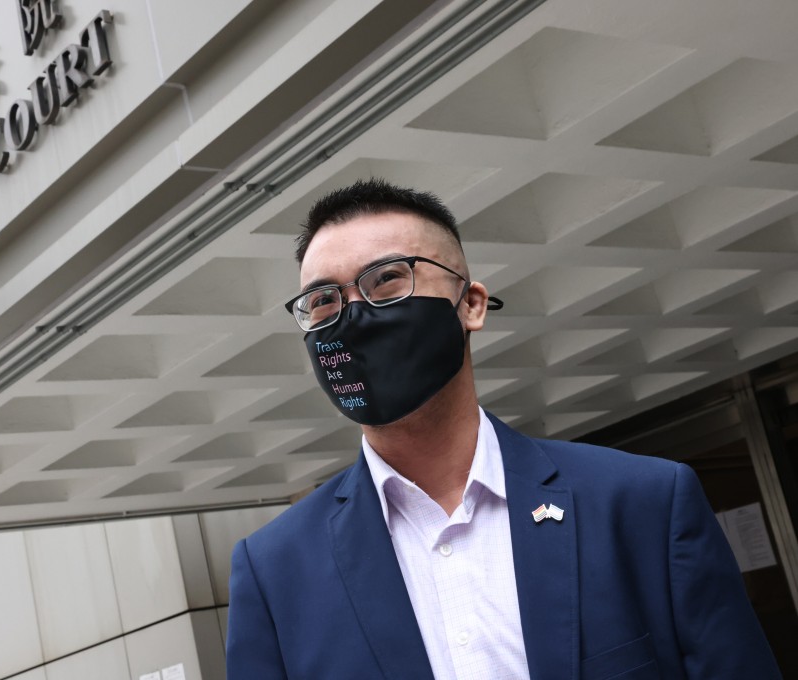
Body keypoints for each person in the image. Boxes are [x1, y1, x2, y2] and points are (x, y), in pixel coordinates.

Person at [225, 178, 780, 679]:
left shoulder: (644, 503)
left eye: (387, 280)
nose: (353, 315)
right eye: (323, 301)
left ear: (471, 305)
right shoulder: (275, 572)